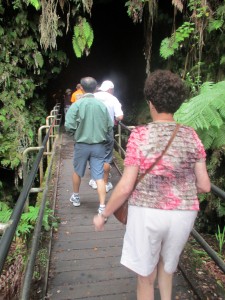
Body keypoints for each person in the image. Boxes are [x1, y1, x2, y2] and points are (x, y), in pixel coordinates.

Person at [93, 70, 211, 300]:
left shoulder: (140, 135)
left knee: (145, 277)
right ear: (176, 103)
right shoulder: (191, 136)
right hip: (183, 214)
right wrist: (180, 189)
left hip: (147, 213)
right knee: (167, 270)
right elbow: (205, 185)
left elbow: (126, 185)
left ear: (151, 103)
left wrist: (104, 213)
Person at [65, 77, 114, 214]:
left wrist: (76, 134)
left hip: (82, 144)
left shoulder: (77, 105)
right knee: (99, 176)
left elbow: (68, 125)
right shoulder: (101, 105)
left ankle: (75, 197)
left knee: (77, 171)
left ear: (81, 87)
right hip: (99, 145)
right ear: (95, 88)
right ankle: (102, 206)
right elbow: (109, 125)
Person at [89, 80, 124, 193]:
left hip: (93, 130)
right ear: (110, 89)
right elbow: (119, 117)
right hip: (107, 130)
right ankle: (104, 183)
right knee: (106, 156)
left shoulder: (92, 97)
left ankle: (94, 180)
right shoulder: (113, 99)